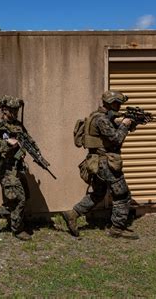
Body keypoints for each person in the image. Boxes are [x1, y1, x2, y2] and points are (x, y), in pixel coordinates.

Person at [62, 90, 139, 239]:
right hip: (106, 163)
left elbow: (106, 134)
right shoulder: (102, 120)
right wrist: (124, 125)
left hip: (97, 163)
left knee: (98, 194)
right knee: (122, 195)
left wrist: (124, 123)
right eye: (118, 103)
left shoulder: (96, 116)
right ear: (111, 103)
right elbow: (116, 139)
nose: (119, 106)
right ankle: (117, 229)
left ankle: (73, 214)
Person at [0, 95, 32, 241]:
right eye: (13, 110)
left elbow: (26, 139)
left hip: (17, 166)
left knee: (22, 196)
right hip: (4, 167)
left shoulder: (17, 124)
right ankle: (17, 230)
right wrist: (7, 143)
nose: (15, 113)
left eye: (17, 110)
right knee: (19, 199)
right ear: (5, 110)